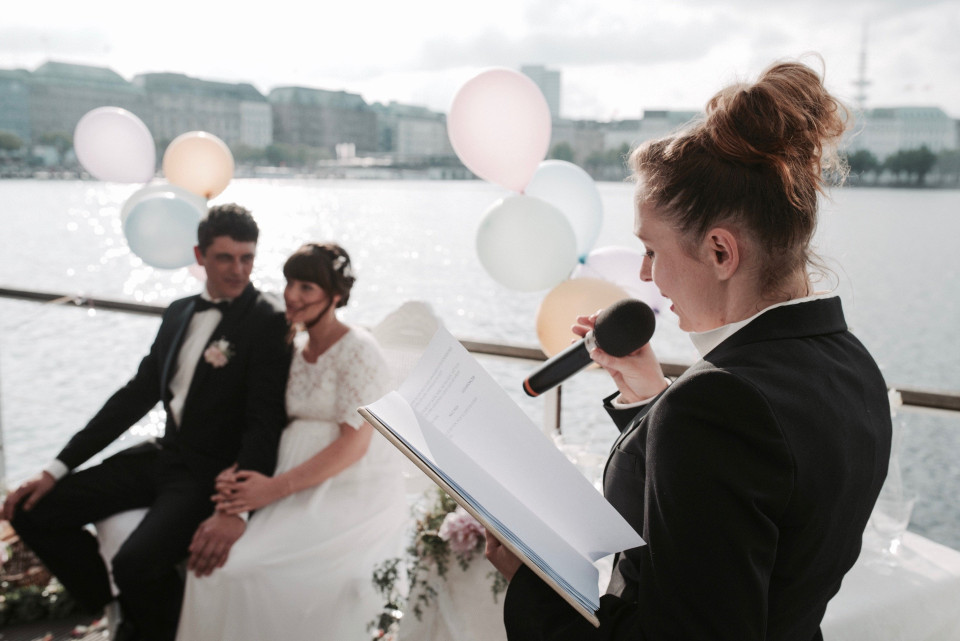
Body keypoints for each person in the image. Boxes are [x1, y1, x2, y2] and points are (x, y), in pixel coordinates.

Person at [486, 58, 893, 640]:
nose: (647, 276)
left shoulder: (715, 407)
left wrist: (533, 580)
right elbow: (757, 509)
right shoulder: (851, 364)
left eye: (652, 250)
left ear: (721, 253)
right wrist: (655, 401)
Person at [2, 204, 292, 641]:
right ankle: (116, 606)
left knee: (134, 562)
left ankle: (161, 630)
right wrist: (55, 468)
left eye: (247, 258)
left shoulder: (267, 321)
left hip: (205, 475)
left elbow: (264, 422)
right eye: (225, 258)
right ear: (200, 256)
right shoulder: (177, 313)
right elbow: (133, 399)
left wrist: (235, 508)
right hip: (161, 456)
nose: (238, 270)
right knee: (32, 510)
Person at [175, 242, 408, 641]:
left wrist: (272, 489)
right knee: (209, 567)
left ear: (335, 296)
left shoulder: (359, 350)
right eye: (289, 283)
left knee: (242, 571)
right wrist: (242, 474)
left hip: (344, 490)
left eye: (306, 288)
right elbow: (269, 422)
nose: (291, 296)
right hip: (286, 475)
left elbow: (354, 446)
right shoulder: (294, 346)